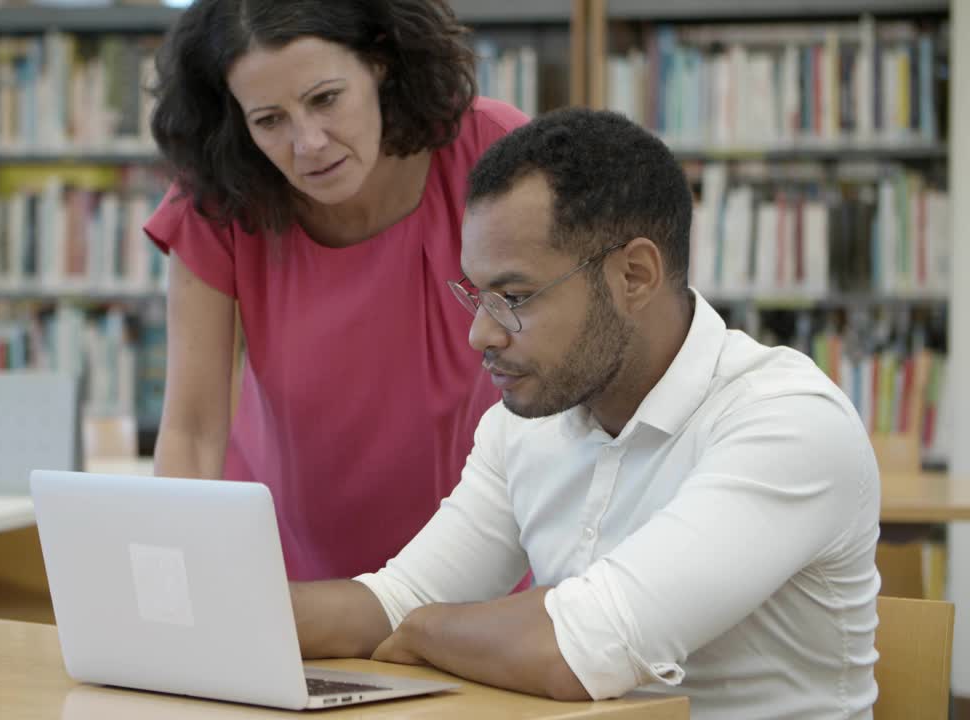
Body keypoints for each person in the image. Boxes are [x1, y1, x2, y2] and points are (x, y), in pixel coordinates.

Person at [290, 108, 881, 718]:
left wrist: (423, 628)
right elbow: (396, 599)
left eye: (515, 298)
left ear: (635, 275)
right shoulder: (526, 420)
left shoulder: (787, 424)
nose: (479, 335)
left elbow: (575, 651)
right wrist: (221, 615)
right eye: (476, 295)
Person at [144, 0, 530, 580]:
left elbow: (571, 374)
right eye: (269, 120)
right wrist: (173, 588)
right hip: (281, 573)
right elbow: (192, 432)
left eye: (325, 98)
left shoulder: (493, 149)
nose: (309, 144)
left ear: (379, 61)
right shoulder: (219, 198)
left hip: (478, 566)